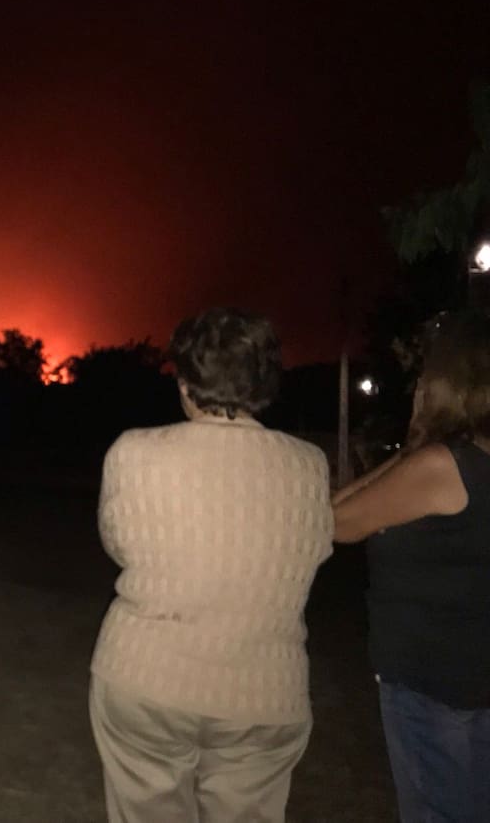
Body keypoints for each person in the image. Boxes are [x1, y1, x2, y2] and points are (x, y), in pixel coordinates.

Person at [89, 307, 333, 823]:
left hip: (148, 678)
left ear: (184, 380)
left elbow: (120, 545)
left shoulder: (133, 452)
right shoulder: (309, 466)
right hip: (265, 692)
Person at [332, 309, 490, 823]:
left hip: (431, 687)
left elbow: (339, 521)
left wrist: (415, 447)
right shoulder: (476, 458)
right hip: (470, 679)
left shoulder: (441, 465)